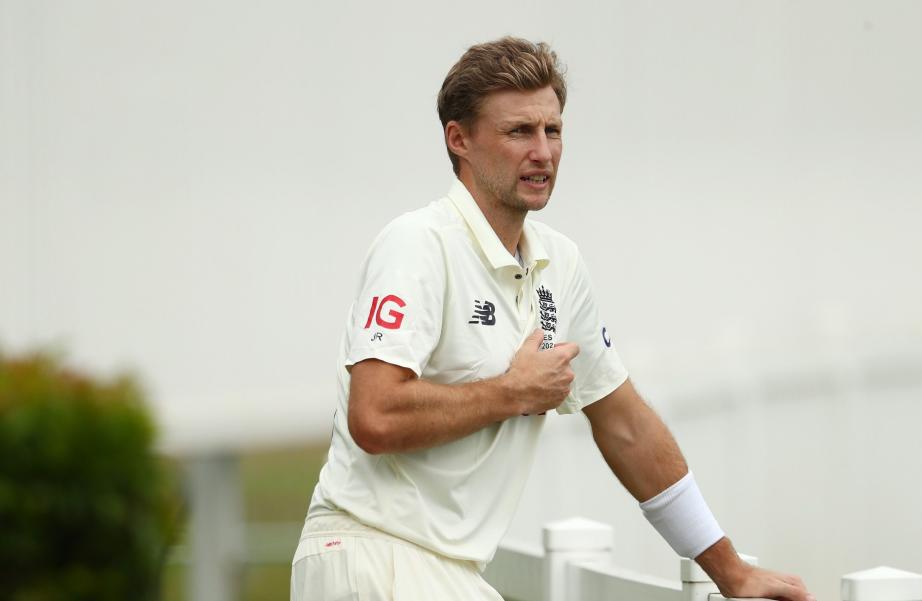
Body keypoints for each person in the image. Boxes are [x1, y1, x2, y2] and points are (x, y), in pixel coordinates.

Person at [291, 36, 815, 601]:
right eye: (519, 131)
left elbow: (625, 426)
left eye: (553, 130)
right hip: (369, 554)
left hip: (448, 574)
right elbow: (374, 416)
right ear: (458, 139)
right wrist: (511, 392)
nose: (542, 151)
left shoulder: (560, 264)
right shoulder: (417, 243)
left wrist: (729, 570)